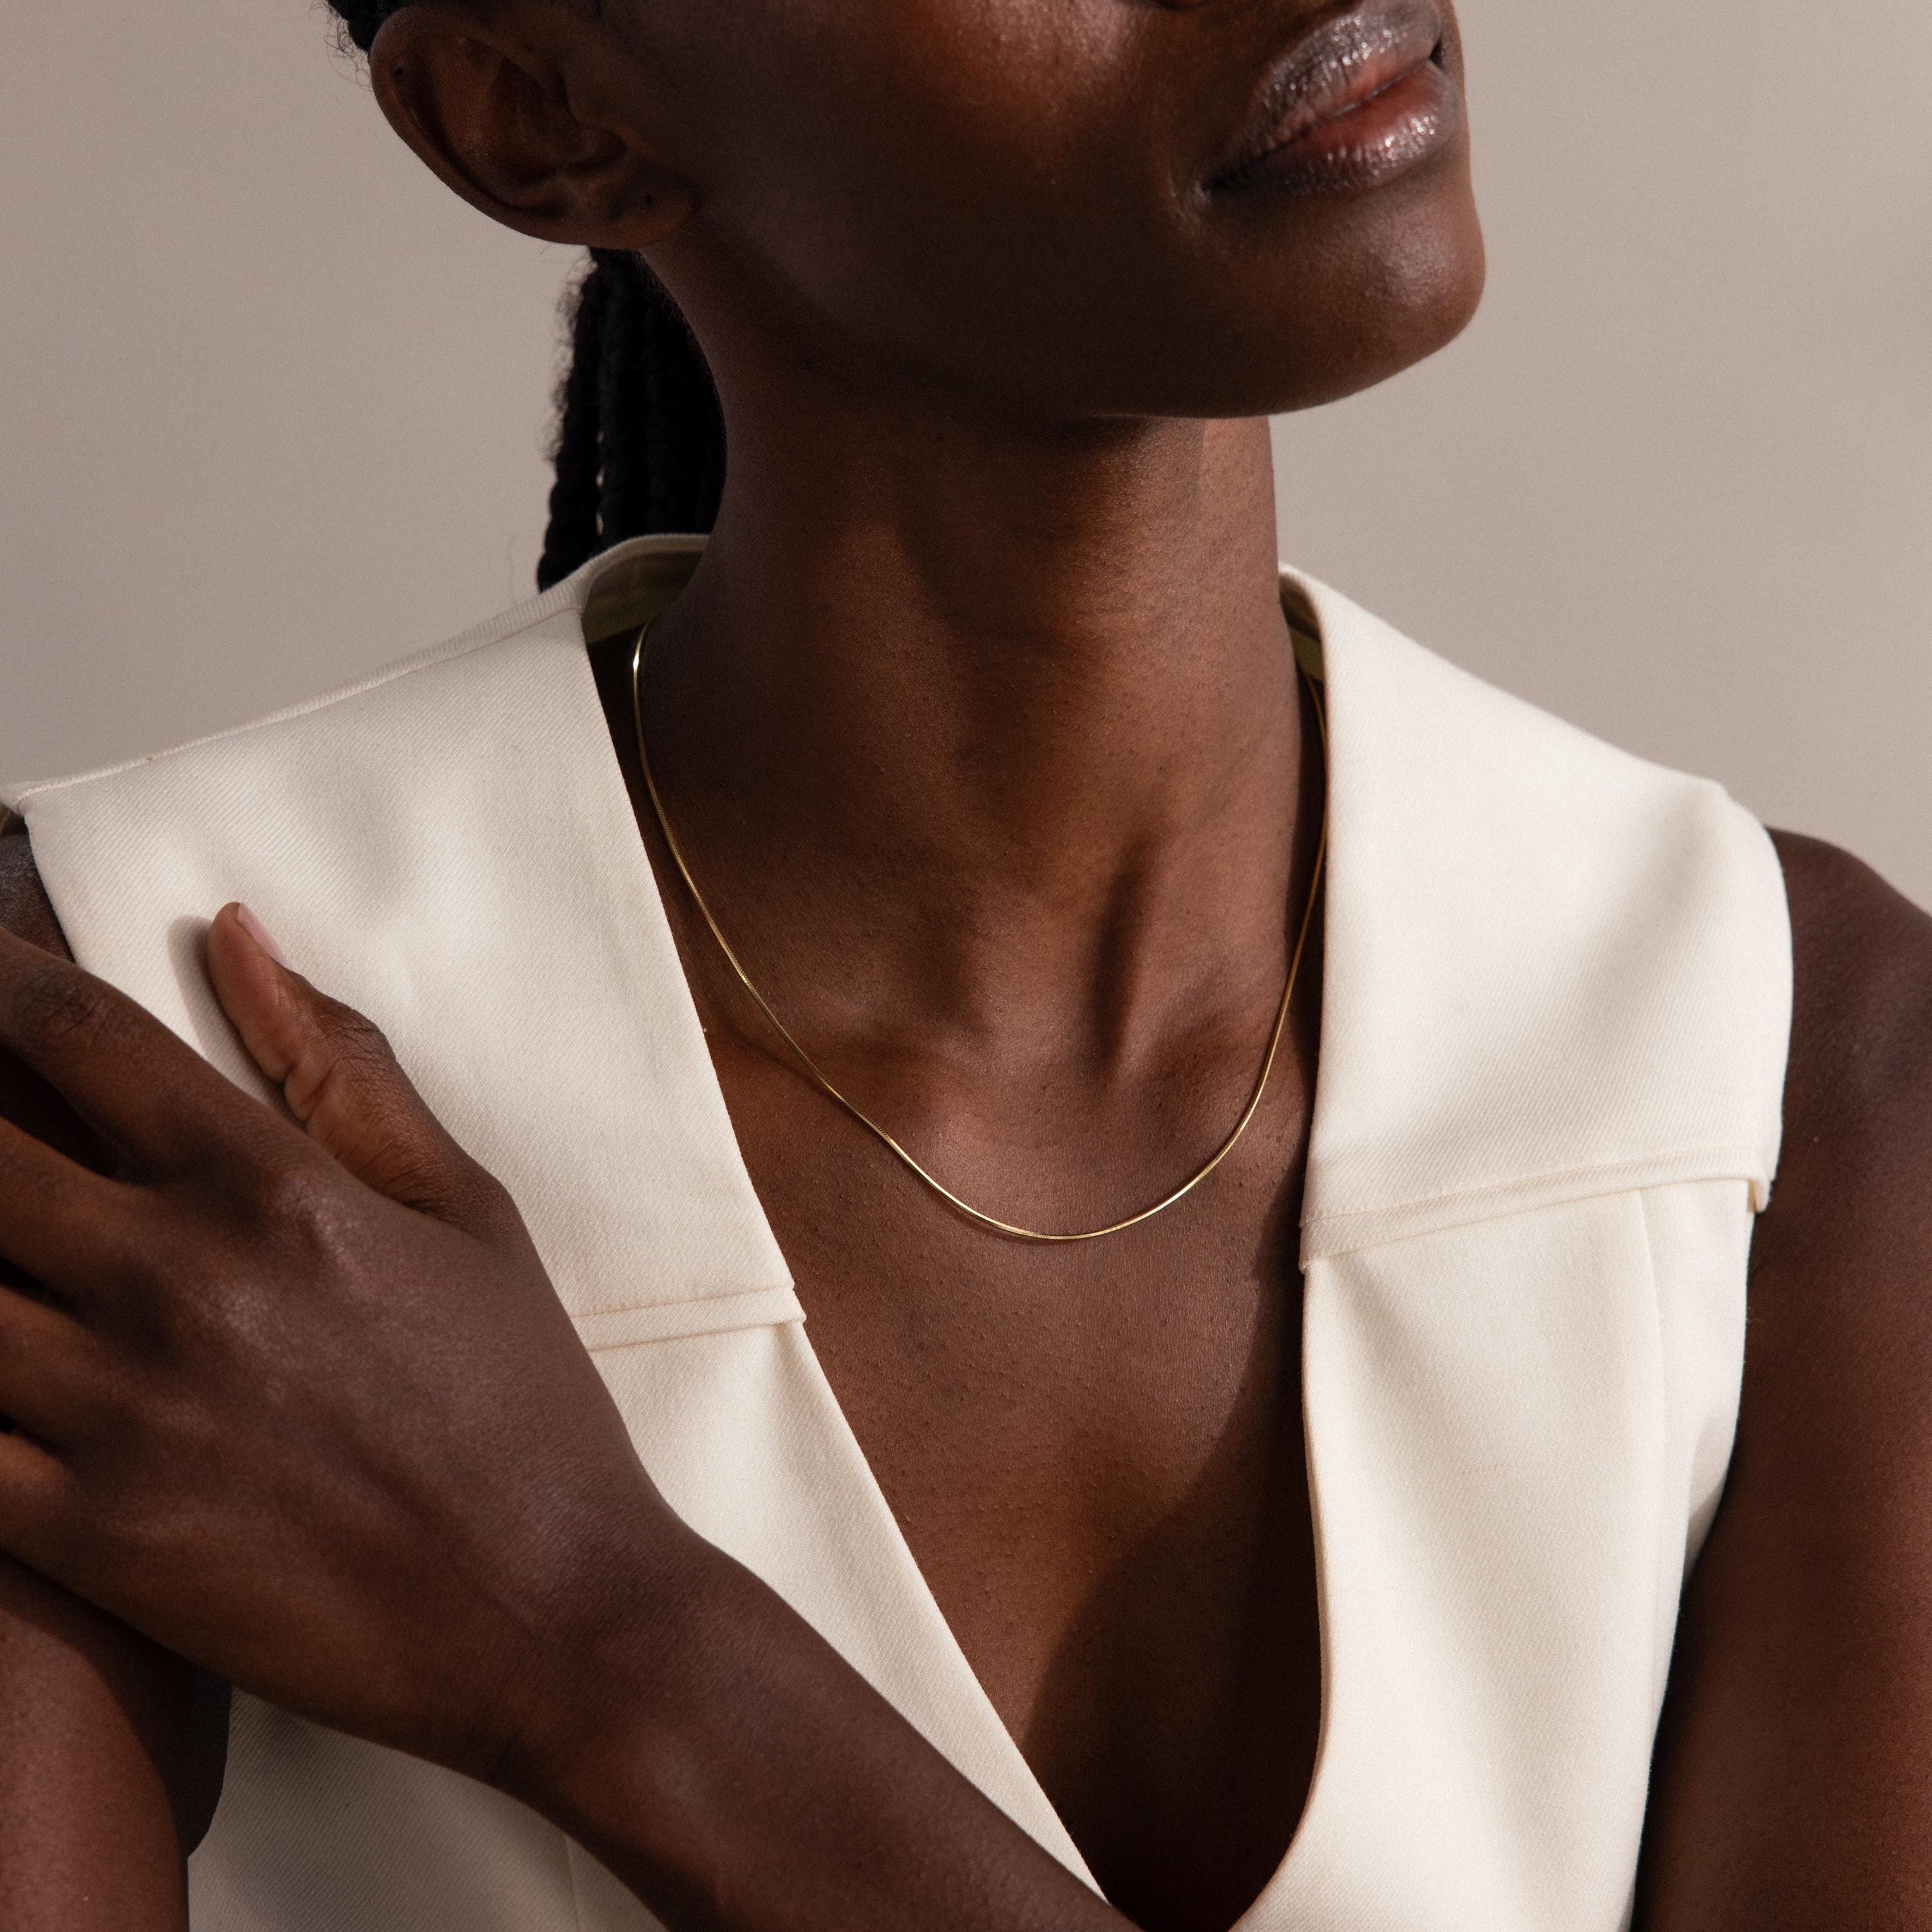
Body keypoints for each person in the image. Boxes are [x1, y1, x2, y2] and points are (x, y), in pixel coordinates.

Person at [0, 0, 1928, 1926]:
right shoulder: (122, 1084)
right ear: (542, 113)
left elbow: (593, 1639)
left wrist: (590, 1636)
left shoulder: (1803, 1081)